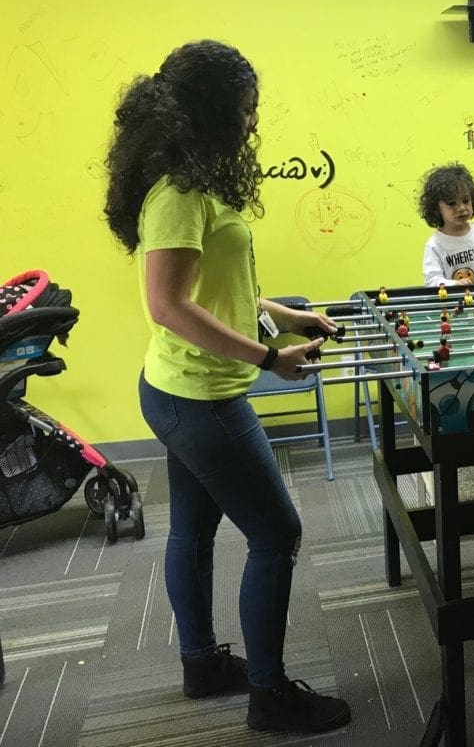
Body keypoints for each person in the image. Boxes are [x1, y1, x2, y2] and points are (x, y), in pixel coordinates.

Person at [103, 40, 352, 733]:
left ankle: (201, 662)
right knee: (277, 531)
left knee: (195, 527)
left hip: (179, 389)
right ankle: (270, 695)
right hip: (200, 397)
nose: (252, 123)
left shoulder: (200, 181)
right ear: (213, 112)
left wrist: (281, 311)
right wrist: (269, 357)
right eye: (246, 110)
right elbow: (169, 304)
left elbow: (218, 284)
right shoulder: (178, 194)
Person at [419, 163, 474, 286]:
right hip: (455, 302)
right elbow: (432, 281)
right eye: (452, 203)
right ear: (436, 208)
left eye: (466, 201)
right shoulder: (435, 244)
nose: (461, 208)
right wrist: (455, 284)